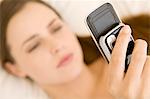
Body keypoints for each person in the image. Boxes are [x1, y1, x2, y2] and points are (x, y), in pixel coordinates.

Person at [0, 0, 150, 99]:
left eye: (56, 28)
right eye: (34, 46)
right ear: (15, 69)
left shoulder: (138, 40)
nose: (57, 46)